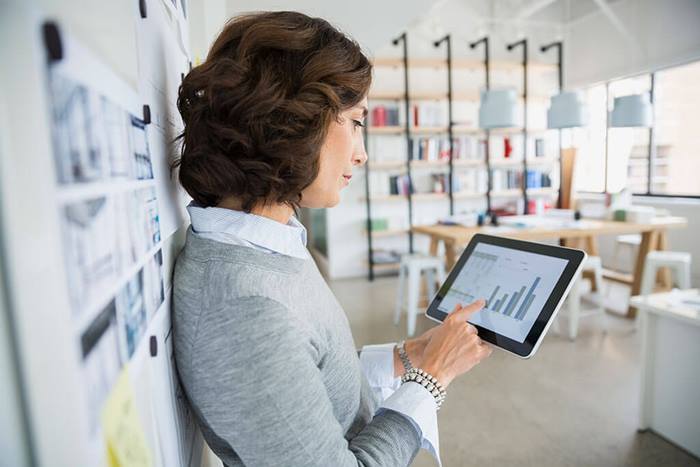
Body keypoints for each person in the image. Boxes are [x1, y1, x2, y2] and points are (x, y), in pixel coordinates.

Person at [171, 11, 492, 467]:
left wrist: (409, 357)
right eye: (357, 121)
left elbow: (306, 381)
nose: (361, 154)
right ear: (295, 121)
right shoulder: (243, 306)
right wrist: (432, 379)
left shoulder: (267, 244)